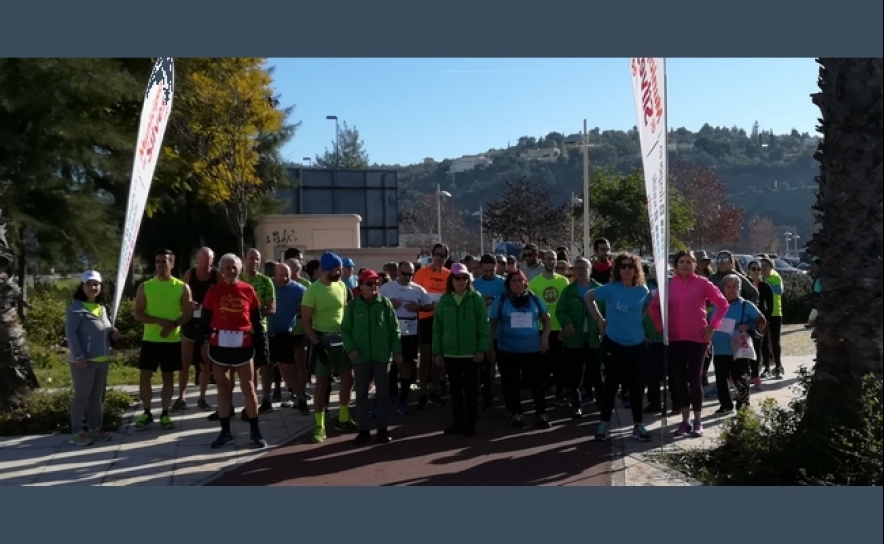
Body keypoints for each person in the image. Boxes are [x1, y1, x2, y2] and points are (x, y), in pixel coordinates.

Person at [649, 250, 728, 438]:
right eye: (681, 262)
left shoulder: (702, 283)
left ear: (695, 265)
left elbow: (723, 303)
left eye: (688, 262)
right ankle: (685, 421)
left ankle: (698, 421)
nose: (685, 265)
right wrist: (661, 327)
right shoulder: (668, 285)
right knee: (678, 380)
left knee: (694, 378)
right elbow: (653, 307)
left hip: (698, 338)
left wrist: (712, 327)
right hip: (675, 338)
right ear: (675, 266)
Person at [199, 253, 269, 448]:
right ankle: (225, 431)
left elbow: (257, 321)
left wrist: (262, 347)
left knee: (248, 387)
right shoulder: (213, 292)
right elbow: (204, 321)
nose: (230, 271)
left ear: (239, 269)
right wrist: (200, 344)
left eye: (234, 267)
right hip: (219, 344)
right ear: (221, 271)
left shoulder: (248, 290)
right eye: (227, 268)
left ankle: (255, 432)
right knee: (223, 389)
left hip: (243, 345)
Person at [585, 253, 653, 442]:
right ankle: (604, 424)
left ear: (636, 269)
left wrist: (639, 319)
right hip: (614, 343)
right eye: (623, 266)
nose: (627, 269)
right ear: (617, 270)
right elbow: (588, 297)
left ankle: (638, 425)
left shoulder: (642, 290)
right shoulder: (611, 289)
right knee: (611, 385)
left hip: (636, 344)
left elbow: (648, 303)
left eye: (630, 266)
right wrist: (599, 319)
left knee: (635, 387)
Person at [301, 251, 359, 443]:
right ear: (328, 270)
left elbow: (345, 312)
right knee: (322, 383)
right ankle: (319, 425)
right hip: (322, 340)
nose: (341, 272)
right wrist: (317, 345)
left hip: (342, 340)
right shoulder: (313, 290)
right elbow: (306, 322)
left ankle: (343, 417)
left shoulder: (342, 286)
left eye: (341, 269)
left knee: (348, 379)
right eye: (337, 269)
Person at [132, 249, 193, 430]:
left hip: (172, 341)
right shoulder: (145, 286)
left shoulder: (182, 287)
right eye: (158, 261)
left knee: (168, 378)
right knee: (145, 376)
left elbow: (188, 312)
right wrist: (160, 321)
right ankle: (147, 411)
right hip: (150, 340)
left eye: (164, 261)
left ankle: (165, 413)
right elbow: (138, 314)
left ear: (172, 264)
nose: (160, 265)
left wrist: (173, 325)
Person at [342, 269, 402, 444]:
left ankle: (382, 430)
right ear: (360, 286)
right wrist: (350, 348)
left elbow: (394, 329)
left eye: (376, 283)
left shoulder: (385, 304)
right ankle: (364, 430)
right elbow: (345, 330)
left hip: (382, 356)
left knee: (383, 394)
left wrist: (396, 350)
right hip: (360, 356)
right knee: (361, 394)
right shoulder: (352, 306)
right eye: (368, 283)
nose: (373, 287)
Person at [432, 263, 491, 437]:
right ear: (452, 280)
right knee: (455, 391)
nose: (461, 281)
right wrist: (438, 352)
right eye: (457, 278)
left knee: (471, 391)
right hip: (450, 353)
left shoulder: (476, 298)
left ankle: (470, 424)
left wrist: (481, 349)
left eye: (464, 278)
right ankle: (458, 422)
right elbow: (438, 327)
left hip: (471, 354)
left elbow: (483, 326)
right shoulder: (445, 299)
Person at [489, 271, 552, 429]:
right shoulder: (502, 300)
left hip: (532, 349)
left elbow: (547, 319)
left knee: (537, 383)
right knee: (511, 384)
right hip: (508, 350)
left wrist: (544, 338)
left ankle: (540, 413)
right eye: (513, 281)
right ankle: (517, 413)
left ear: (525, 283)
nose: (517, 283)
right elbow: (492, 324)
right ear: (508, 284)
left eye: (520, 280)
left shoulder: (534, 299)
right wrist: (490, 346)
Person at [64, 271, 120, 446]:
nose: (92, 287)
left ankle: (95, 429)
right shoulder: (75, 309)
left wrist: (113, 331)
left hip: (102, 360)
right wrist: (79, 356)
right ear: (82, 287)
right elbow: (71, 334)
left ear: (100, 287)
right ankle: (76, 432)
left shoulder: (101, 308)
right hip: (84, 361)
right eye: (89, 284)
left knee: (96, 398)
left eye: (96, 284)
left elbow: (105, 328)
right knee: (81, 397)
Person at [379, 261, 434, 415]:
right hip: (390, 329)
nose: (407, 277)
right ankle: (387, 396)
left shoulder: (418, 289)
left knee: (406, 365)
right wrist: (389, 304)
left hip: (410, 329)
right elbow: (375, 304)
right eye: (404, 274)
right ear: (398, 272)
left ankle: (403, 400)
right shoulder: (386, 288)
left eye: (410, 275)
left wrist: (419, 307)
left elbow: (430, 306)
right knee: (387, 365)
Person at [710, 274, 767, 414]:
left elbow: (762, 322)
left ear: (739, 289)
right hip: (720, 349)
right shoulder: (716, 305)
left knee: (741, 379)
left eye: (734, 287)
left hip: (738, 351)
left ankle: (743, 407)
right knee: (721, 381)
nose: (731, 290)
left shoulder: (746, 306)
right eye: (728, 287)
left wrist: (748, 325)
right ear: (723, 288)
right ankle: (726, 405)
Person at [555, 257, 603, 418]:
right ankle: (576, 404)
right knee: (574, 376)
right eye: (578, 268)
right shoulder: (568, 291)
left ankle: (602, 403)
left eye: (584, 268)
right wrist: (566, 323)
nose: (581, 271)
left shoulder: (599, 290)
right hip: (574, 340)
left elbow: (607, 312)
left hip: (594, 340)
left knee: (596, 374)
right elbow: (560, 311)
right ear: (574, 271)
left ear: (590, 270)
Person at [177, 247, 220, 412]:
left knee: (204, 362)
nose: (203, 265)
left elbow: (222, 295)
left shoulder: (216, 275)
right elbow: (181, 296)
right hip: (190, 321)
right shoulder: (190, 274)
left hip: (207, 323)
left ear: (212, 261)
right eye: (201, 262)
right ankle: (181, 397)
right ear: (197, 260)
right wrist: (189, 304)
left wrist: (210, 306)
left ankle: (202, 397)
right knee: (185, 362)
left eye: (207, 262)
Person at [412, 243, 451, 409]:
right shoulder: (421, 273)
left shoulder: (450, 275)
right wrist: (428, 306)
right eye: (436, 254)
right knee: (426, 356)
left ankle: (434, 389)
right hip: (425, 319)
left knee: (438, 356)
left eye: (442, 255)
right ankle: (422, 392)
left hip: (443, 320)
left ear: (446, 258)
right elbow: (415, 297)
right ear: (432, 255)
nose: (439, 258)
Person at [529, 249, 570, 404]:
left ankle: (560, 394)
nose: (551, 261)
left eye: (553, 259)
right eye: (548, 259)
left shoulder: (563, 281)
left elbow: (566, 307)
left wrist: (565, 326)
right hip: (541, 329)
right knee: (542, 366)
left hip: (559, 329)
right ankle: (542, 397)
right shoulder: (534, 283)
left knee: (560, 365)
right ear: (542, 260)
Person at [268, 263, 308, 413]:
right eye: (281, 275)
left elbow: (309, 304)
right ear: (274, 274)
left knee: (289, 368)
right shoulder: (268, 284)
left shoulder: (298, 289)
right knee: (266, 368)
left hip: (285, 333)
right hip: (266, 332)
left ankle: (300, 398)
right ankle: (266, 399)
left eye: (287, 275)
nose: (284, 279)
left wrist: (301, 309)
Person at [471, 254, 506, 416]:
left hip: (501, 330)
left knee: (500, 365)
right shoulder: (474, 284)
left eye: (491, 270)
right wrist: (481, 301)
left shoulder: (502, 283)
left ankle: (498, 396)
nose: (488, 273)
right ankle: (484, 396)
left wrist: (495, 300)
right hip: (481, 332)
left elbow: (506, 300)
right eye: (485, 270)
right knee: (483, 367)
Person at [746, 259, 774, 388]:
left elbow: (770, 306)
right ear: (748, 271)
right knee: (746, 348)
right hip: (746, 322)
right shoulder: (744, 285)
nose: (757, 271)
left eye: (758, 269)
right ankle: (746, 375)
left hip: (760, 322)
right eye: (753, 269)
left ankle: (756, 376)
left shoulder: (765, 286)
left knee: (758, 348)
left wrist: (766, 321)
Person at [759, 257, 785, 379]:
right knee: (763, 342)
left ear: (771, 266)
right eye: (761, 265)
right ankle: (767, 368)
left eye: (766, 265)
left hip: (775, 313)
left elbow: (779, 291)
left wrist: (766, 282)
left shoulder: (775, 277)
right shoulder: (758, 278)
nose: (763, 267)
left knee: (775, 341)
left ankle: (778, 367)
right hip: (763, 314)